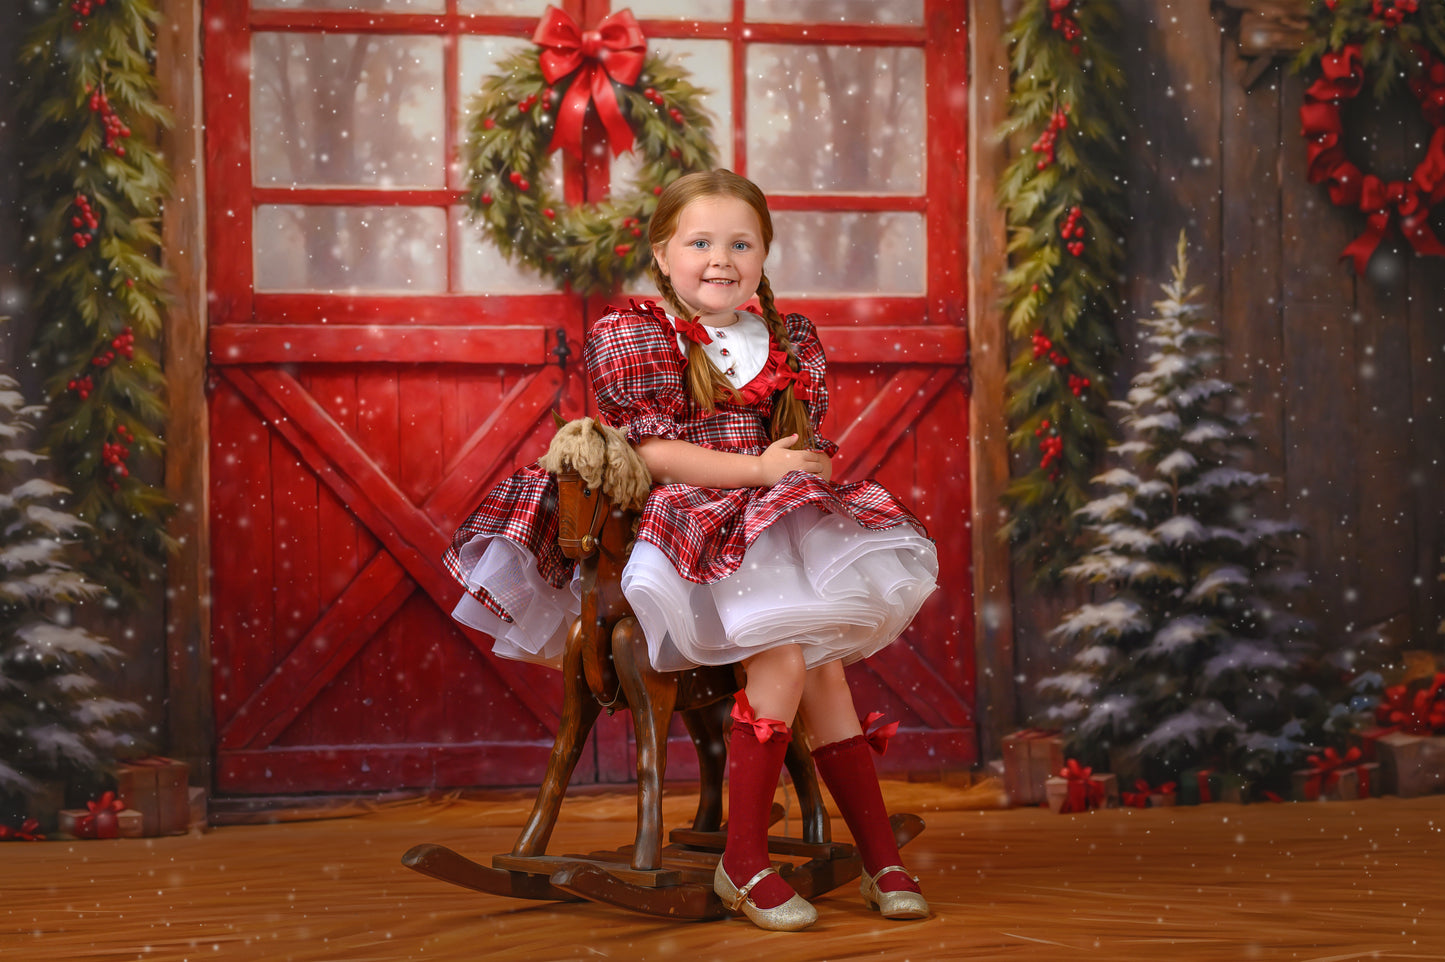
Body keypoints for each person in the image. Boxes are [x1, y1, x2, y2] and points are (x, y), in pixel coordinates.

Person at [444, 169, 938, 931]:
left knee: (825, 673)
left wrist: (807, 467)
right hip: (691, 522)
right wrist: (759, 471)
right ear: (662, 253)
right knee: (780, 654)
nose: (721, 258)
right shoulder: (636, 332)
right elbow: (656, 454)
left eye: (741, 242)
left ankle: (879, 856)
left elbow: (801, 441)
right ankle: (743, 861)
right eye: (700, 242)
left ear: (764, 254)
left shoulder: (789, 337)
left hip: (772, 511)